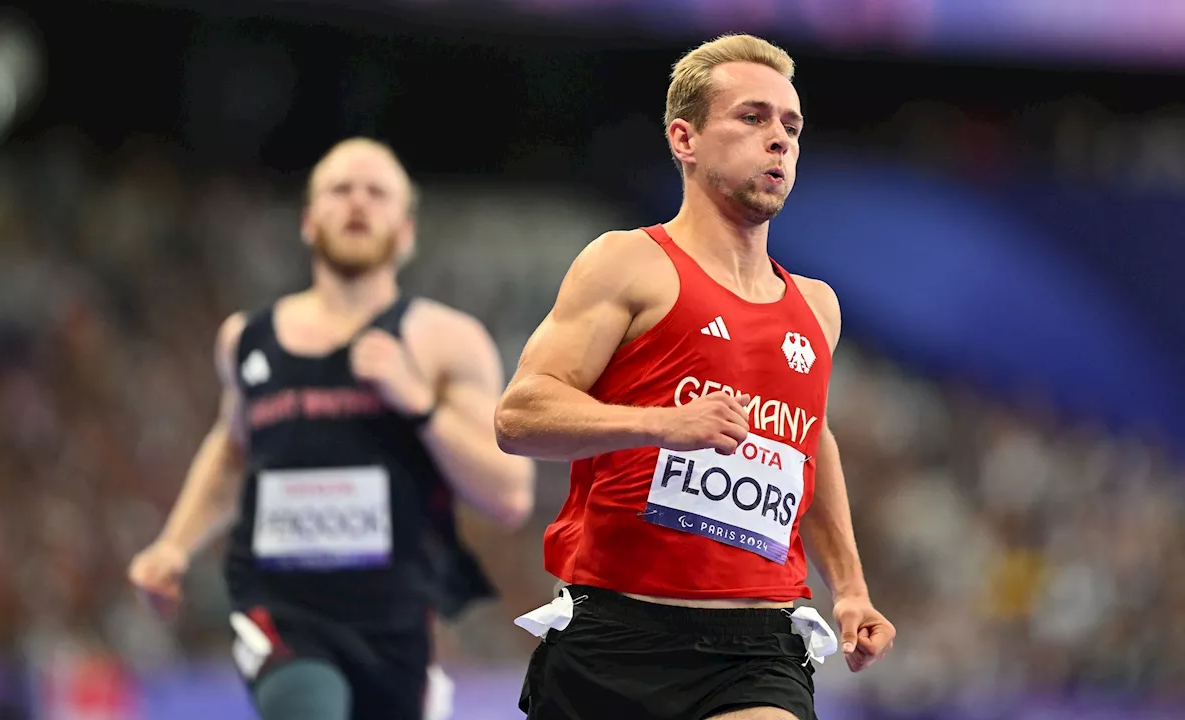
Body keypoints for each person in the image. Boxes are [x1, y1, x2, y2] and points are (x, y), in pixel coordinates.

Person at [495, 34, 896, 720]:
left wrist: (851, 587)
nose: (779, 140)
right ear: (685, 138)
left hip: (757, 648)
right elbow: (519, 416)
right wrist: (657, 422)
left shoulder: (817, 307)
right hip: (615, 636)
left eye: (791, 126)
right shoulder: (628, 263)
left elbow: (808, 445)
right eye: (753, 117)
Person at [128, 137, 536, 720]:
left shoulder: (445, 341)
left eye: (377, 193)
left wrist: (417, 401)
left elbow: (510, 495)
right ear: (308, 220)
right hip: (279, 606)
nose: (357, 203)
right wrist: (173, 545)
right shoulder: (246, 340)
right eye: (339, 190)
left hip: (395, 622)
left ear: (406, 229)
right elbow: (232, 447)